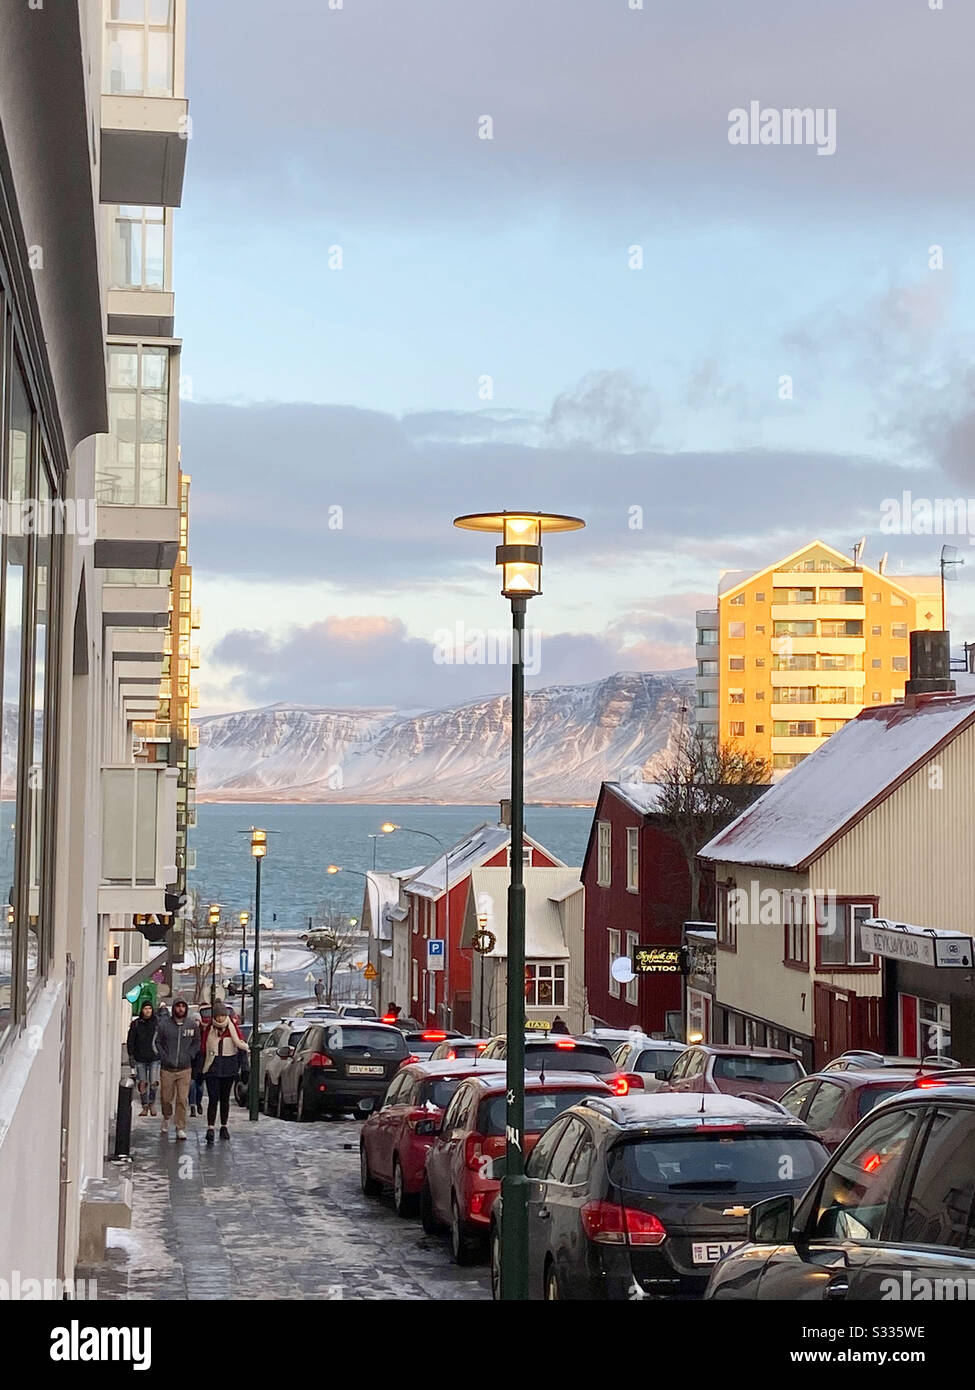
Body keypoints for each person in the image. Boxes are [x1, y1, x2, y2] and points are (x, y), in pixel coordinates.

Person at [200, 999, 249, 1143]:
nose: (220, 1018)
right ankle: (210, 1128)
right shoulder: (209, 1031)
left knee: (225, 1099)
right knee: (213, 1099)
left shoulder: (233, 1030)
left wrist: (244, 1068)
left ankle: (224, 1126)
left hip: (229, 1070)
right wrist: (200, 1070)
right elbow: (203, 1050)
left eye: (222, 1015)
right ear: (214, 1017)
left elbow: (241, 1048)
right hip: (212, 1070)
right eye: (218, 1016)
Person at [156, 997, 200, 1140]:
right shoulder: (164, 1025)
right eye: (178, 1006)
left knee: (182, 1099)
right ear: (173, 1008)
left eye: (183, 1006)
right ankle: (167, 1116)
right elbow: (158, 1042)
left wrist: (190, 1055)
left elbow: (196, 1043)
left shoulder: (192, 1026)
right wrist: (164, 1056)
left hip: (184, 1068)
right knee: (166, 1098)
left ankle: (180, 1126)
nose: (180, 1009)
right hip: (168, 1068)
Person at [126, 1002, 160, 1116]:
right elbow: (131, 1040)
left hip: (154, 1057)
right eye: (145, 1008)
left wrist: (160, 1052)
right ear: (142, 1010)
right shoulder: (136, 1024)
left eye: (150, 1008)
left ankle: (152, 1103)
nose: (148, 1011)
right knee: (142, 1083)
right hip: (140, 1057)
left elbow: (161, 1039)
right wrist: (131, 1055)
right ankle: (144, 1105)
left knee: (154, 1081)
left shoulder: (156, 1023)